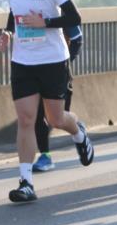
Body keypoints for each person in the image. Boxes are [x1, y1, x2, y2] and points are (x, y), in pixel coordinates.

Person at [0, 0, 94, 204]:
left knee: (55, 119)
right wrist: (7, 33)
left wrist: (46, 22)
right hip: (23, 62)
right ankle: (26, 182)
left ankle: (78, 132)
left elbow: (74, 18)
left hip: (52, 60)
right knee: (26, 120)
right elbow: (14, 16)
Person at [31, 24, 83, 172]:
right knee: (38, 115)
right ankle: (45, 156)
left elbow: (77, 40)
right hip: (34, 72)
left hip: (58, 73)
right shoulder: (24, 9)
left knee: (58, 119)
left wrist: (62, 63)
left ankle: (76, 127)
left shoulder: (60, 8)